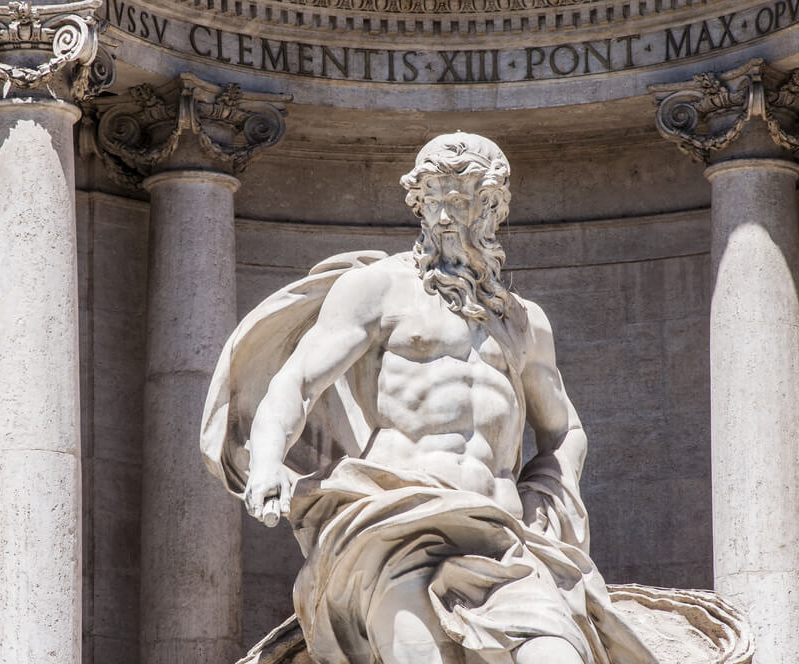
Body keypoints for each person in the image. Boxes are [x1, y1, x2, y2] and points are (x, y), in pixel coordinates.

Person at [203, 134, 657, 664]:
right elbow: (297, 381)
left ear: (492, 206)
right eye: (432, 200)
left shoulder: (524, 321)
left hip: (502, 535)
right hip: (396, 521)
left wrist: (547, 498)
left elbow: (564, 431)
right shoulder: (379, 288)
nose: (443, 217)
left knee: (559, 655)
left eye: (458, 200)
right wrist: (265, 462)